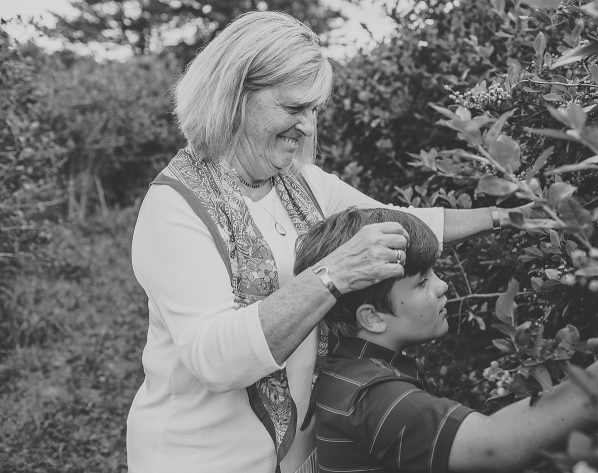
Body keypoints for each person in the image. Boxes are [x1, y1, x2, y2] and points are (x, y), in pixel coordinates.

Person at [126, 11, 528, 473]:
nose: (309, 128)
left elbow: (403, 223)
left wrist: (504, 216)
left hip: (288, 456)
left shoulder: (301, 184)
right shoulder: (175, 207)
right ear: (235, 97)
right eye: (294, 109)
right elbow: (216, 359)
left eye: (314, 111)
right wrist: (332, 274)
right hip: (198, 458)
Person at [291, 207, 598, 473]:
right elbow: (492, 447)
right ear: (373, 317)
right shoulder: (369, 394)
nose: (444, 286)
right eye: (422, 282)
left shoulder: (347, 370)